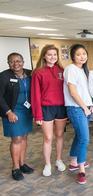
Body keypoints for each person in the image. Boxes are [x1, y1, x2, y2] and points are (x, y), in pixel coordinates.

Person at [31, 45, 67, 177]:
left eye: (55, 55)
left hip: (61, 108)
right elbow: (35, 95)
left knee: (60, 136)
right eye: (49, 54)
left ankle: (58, 159)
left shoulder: (62, 70)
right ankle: (47, 164)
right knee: (48, 137)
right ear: (44, 56)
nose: (52, 57)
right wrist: (37, 114)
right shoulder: (38, 72)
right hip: (46, 108)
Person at [0, 53, 34, 181]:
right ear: (8, 63)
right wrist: (8, 112)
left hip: (26, 111)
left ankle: (22, 163)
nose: (16, 64)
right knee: (16, 139)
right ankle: (15, 168)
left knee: (24, 137)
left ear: (23, 61)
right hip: (12, 112)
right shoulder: (4, 76)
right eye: (12, 61)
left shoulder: (29, 74)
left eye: (18, 61)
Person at [63, 44, 93, 184]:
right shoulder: (71, 69)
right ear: (73, 56)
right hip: (76, 108)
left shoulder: (83, 70)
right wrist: (84, 107)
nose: (82, 56)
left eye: (84, 54)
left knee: (79, 136)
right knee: (84, 139)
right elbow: (73, 92)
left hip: (84, 107)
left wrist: (90, 105)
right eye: (79, 54)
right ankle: (81, 170)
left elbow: (84, 91)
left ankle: (74, 162)